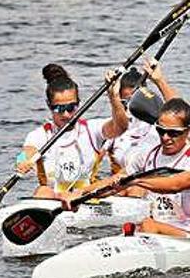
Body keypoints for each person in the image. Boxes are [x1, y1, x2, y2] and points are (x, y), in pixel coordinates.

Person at [63, 98, 190, 239]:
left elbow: (175, 185)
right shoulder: (147, 155)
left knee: (147, 224)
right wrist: (81, 194)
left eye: (173, 133)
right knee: (130, 227)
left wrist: (135, 181)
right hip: (157, 229)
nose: (165, 137)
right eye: (161, 131)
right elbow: (113, 183)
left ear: (189, 130)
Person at [16, 64, 129, 198]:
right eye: (59, 108)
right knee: (42, 191)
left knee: (126, 182)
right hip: (53, 199)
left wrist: (113, 97)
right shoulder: (40, 135)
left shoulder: (91, 129)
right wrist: (22, 161)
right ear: (49, 105)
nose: (66, 114)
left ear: (79, 104)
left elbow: (121, 127)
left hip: (86, 196)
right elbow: (26, 152)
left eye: (71, 107)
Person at [104, 59, 178, 174]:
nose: (130, 109)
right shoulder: (111, 130)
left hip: (159, 178)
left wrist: (159, 80)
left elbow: (180, 112)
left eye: (134, 102)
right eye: (124, 102)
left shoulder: (159, 124)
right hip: (126, 185)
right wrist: (112, 96)